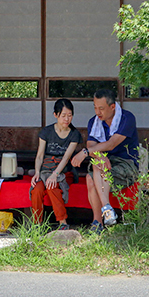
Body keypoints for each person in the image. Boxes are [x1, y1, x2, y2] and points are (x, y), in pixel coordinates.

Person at [71, 89, 139, 232]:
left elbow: (112, 143)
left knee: (95, 171)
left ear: (112, 107)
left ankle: (101, 216)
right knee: (96, 167)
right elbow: (91, 144)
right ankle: (102, 216)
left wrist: (86, 152)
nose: (98, 112)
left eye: (101, 108)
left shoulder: (127, 118)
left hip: (126, 163)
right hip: (105, 163)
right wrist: (100, 156)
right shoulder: (94, 122)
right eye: (95, 107)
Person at [30, 99, 82, 229]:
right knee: (37, 189)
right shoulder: (46, 132)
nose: (67, 119)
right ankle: (37, 224)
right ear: (55, 115)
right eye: (63, 115)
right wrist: (37, 172)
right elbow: (40, 155)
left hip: (64, 171)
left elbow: (66, 158)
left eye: (69, 115)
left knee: (52, 186)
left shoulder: (74, 134)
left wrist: (55, 174)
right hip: (45, 170)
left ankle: (62, 223)